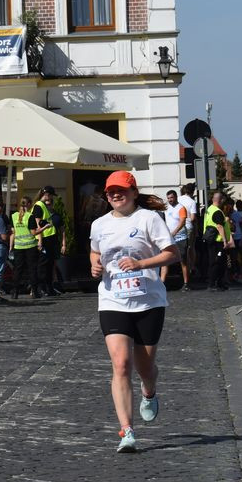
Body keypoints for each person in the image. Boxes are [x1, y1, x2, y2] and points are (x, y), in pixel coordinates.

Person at [89, 171, 179, 453]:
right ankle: (126, 430)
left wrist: (141, 265)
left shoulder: (149, 219)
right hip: (112, 300)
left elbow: (172, 253)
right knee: (121, 364)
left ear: (133, 192)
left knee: (145, 368)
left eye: (122, 190)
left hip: (148, 302)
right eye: (111, 191)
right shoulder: (99, 224)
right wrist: (95, 265)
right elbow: (94, 252)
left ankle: (149, 390)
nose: (116, 195)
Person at [30, 186, 64, 298]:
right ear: (47, 194)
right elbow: (37, 224)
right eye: (50, 196)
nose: (50, 199)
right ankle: (41, 288)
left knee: (49, 265)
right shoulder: (38, 206)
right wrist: (40, 240)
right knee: (43, 266)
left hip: (50, 238)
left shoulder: (42, 206)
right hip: (44, 239)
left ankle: (49, 288)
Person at [202, 191, 234, 291]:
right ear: (221, 200)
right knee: (216, 262)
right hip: (217, 241)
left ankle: (220, 283)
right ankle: (212, 284)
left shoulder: (209, 209)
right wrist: (225, 241)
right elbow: (220, 226)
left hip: (211, 240)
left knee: (220, 262)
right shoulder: (217, 212)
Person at [160, 190, 190, 290]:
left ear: (176, 197)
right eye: (168, 198)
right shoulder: (166, 208)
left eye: (171, 198)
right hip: (169, 238)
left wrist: (175, 231)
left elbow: (182, 222)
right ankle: (162, 283)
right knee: (165, 260)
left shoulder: (181, 208)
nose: (170, 200)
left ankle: (186, 283)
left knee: (183, 261)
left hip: (180, 238)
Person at [10, 196, 39, 299]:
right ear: (30, 204)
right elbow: (33, 232)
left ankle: (15, 292)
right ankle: (35, 292)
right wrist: (44, 228)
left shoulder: (14, 216)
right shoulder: (30, 216)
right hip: (30, 246)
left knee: (18, 270)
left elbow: (13, 232)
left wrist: (11, 246)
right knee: (32, 269)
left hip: (18, 246)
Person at [177, 184, 198, 283]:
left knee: (181, 249)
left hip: (177, 227)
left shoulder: (178, 199)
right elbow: (193, 218)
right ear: (192, 192)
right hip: (188, 226)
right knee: (190, 248)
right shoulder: (192, 202)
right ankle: (191, 267)